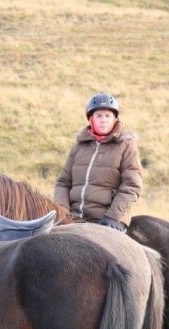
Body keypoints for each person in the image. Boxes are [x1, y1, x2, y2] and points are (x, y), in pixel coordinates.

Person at [53, 91, 142, 233]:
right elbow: (63, 183)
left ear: (115, 118)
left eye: (108, 116)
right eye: (98, 116)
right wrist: (63, 213)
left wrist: (113, 217)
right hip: (73, 218)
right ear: (91, 119)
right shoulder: (78, 147)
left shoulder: (126, 146)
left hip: (107, 220)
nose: (103, 120)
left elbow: (132, 186)